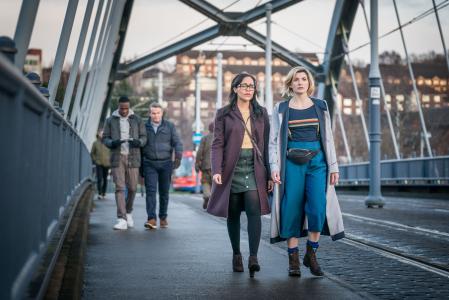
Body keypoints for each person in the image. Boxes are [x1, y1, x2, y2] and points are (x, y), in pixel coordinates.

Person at [269, 66, 345, 277]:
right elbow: (273, 140)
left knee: (318, 208)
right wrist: (274, 167)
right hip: (291, 164)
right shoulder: (281, 108)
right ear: (290, 84)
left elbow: (328, 137)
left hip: (318, 163)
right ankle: (293, 258)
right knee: (291, 208)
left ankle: (311, 254)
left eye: (304, 78)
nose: (300, 82)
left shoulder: (321, 106)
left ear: (309, 83)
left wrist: (333, 166)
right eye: (296, 79)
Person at [207, 72, 273, 278]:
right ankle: (237, 254)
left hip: (255, 167)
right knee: (233, 213)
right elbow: (217, 144)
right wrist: (216, 170)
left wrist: (270, 174)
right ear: (235, 89)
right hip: (231, 168)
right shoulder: (224, 114)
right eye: (244, 86)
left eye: (251, 86)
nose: (248, 89)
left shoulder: (261, 113)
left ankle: (253, 257)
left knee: (254, 210)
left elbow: (268, 145)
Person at [103, 96, 147, 230]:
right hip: (117, 157)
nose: (124, 111)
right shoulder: (110, 120)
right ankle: (121, 218)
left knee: (133, 188)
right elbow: (105, 138)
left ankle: (128, 212)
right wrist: (112, 143)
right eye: (122, 108)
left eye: (126, 108)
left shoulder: (137, 120)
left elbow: (144, 136)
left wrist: (139, 142)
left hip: (133, 156)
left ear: (129, 107)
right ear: (118, 106)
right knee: (120, 188)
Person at [141, 102, 183, 229]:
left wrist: (178, 157)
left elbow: (177, 142)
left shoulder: (169, 126)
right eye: (153, 113)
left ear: (162, 113)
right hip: (149, 163)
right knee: (151, 192)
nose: (156, 116)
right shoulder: (144, 126)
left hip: (166, 163)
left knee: (164, 192)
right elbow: (140, 146)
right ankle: (151, 218)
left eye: (158, 113)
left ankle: (163, 217)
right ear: (150, 113)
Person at [195, 122, 214, 210]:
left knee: (206, 182)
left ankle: (207, 196)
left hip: (206, 166)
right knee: (216, 185)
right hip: (219, 167)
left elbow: (199, 152)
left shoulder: (205, 138)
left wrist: (197, 163)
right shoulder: (223, 138)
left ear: (209, 129)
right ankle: (214, 202)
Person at [91, 130, 111, 199]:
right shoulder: (95, 143)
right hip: (99, 163)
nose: (102, 135)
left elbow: (111, 152)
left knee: (105, 179)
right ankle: (99, 193)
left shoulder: (108, 142)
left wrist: (110, 160)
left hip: (107, 164)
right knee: (99, 178)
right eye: (101, 133)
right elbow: (92, 153)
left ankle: (104, 193)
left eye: (103, 133)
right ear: (98, 134)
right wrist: (95, 160)